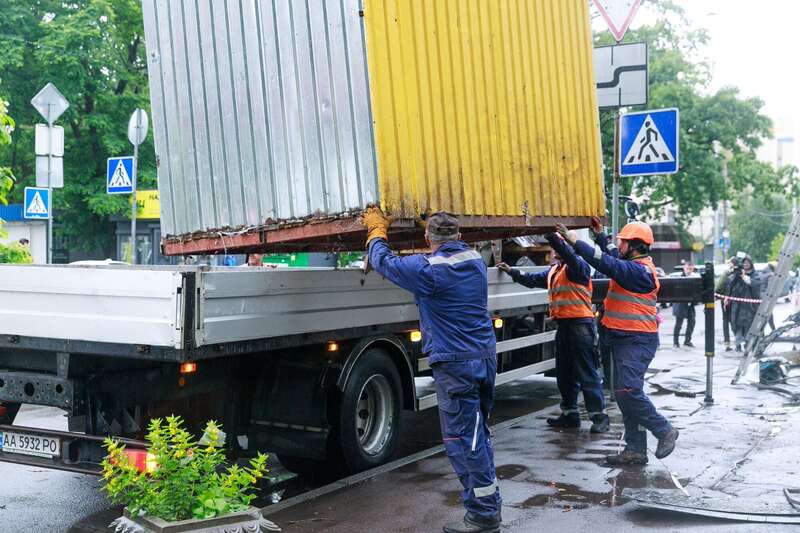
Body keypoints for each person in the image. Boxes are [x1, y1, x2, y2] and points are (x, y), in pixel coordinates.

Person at [362, 207, 502, 533]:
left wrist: (376, 231)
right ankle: (488, 507)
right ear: (460, 236)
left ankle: (483, 515)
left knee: (463, 440)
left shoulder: (428, 271)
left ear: (427, 237)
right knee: (478, 436)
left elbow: (384, 261)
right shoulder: (475, 261)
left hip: (456, 365)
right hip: (483, 358)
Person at [556, 221, 678, 465]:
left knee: (628, 391)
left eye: (623, 242)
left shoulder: (639, 272)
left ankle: (664, 429)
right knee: (625, 396)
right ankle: (636, 450)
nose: (619, 245)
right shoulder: (631, 264)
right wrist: (600, 235)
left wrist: (574, 240)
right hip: (626, 339)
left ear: (635, 246)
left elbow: (605, 262)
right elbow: (611, 254)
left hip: (637, 340)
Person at [497, 232, 609, 433]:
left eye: (557, 247)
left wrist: (552, 235)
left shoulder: (579, 266)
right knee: (565, 374)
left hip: (580, 326)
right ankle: (570, 415)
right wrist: (512, 271)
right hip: (565, 327)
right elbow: (532, 280)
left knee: (587, 373)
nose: (552, 251)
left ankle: (599, 417)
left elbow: (569, 255)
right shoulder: (555, 271)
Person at [727, 255, 761, 351]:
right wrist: (735, 274)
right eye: (744, 262)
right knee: (736, 325)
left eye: (747, 262)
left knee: (748, 326)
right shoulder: (737, 273)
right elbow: (730, 284)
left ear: (751, 264)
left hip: (749, 306)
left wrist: (744, 277)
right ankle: (738, 345)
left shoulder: (755, 275)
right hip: (737, 305)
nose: (746, 264)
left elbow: (755, 285)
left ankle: (747, 344)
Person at [672, 262, 697, 348]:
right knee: (679, 324)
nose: (689, 270)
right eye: (687, 268)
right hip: (681, 304)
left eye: (691, 268)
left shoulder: (694, 277)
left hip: (690, 304)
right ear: (684, 268)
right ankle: (675, 342)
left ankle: (687, 341)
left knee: (692, 322)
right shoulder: (680, 277)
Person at [716, 257, 737, 351]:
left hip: (726, 299)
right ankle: (738, 341)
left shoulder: (726, 273)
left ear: (732, 264)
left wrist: (717, 295)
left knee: (726, 320)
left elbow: (719, 286)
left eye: (729, 263)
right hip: (737, 300)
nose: (728, 264)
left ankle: (727, 343)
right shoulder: (741, 272)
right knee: (734, 320)